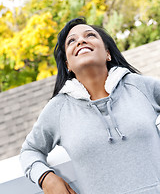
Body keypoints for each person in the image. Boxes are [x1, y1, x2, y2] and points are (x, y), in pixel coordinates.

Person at [20, 17, 160, 194]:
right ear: (67, 65)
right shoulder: (59, 109)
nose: (81, 40)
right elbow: (30, 151)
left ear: (107, 53)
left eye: (90, 35)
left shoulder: (139, 86)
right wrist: (46, 178)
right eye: (72, 41)